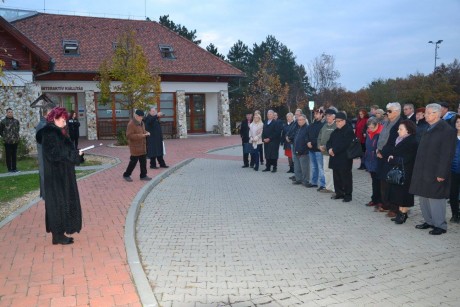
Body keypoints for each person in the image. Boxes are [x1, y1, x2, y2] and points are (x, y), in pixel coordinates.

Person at [35, 107, 83, 245]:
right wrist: (72, 155)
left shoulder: (60, 132)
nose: (65, 122)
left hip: (64, 176)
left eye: (65, 119)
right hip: (56, 178)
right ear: (54, 119)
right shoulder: (49, 134)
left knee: (64, 203)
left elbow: (67, 152)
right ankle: (58, 235)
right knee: (57, 205)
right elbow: (54, 155)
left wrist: (77, 155)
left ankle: (60, 233)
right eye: (62, 119)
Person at [410, 103, 457, 235]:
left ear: (436, 114)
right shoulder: (428, 128)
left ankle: (440, 225)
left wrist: (441, 173)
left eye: (429, 112)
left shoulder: (446, 130)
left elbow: (447, 154)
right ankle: (429, 221)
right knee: (424, 197)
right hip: (423, 170)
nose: (426, 115)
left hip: (436, 171)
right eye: (426, 112)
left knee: (436, 199)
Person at [386, 120, 418, 224]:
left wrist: (392, 159)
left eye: (401, 129)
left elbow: (407, 158)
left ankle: (403, 214)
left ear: (408, 130)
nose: (398, 131)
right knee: (398, 193)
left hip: (406, 171)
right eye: (398, 129)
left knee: (404, 194)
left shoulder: (411, 141)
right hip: (400, 170)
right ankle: (400, 213)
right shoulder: (401, 139)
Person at [375, 102, 402, 217]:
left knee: (392, 181)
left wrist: (383, 152)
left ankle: (395, 207)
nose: (387, 113)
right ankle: (386, 203)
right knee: (383, 180)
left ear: (396, 112)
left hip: (391, 156)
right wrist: (377, 149)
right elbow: (381, 137)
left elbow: (394, 142)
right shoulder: (386, 122)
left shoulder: (400, 123)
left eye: (389, 111)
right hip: (381, 154)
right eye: (387, 110)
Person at [327, 112, 354, 202]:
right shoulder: (335, 131)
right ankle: (339, 193)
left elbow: (345, 144)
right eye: (336, 121)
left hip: (344, 158)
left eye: (339, 121)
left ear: (344, 121)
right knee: (336, 176)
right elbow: (329, 142)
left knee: (345, 177)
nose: (337, 123)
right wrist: (329, 149)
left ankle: (348, 195)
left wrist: (334, 150)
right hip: (335, 157)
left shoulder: (349, 131)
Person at [123, 110, 152, 182]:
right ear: (136, 116)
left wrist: (146, 132)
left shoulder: (142, 123)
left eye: (142, 117)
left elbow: (143, 131)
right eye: (140, 117)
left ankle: (143, 175)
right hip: (135, 147)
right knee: (133, 162)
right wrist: (142, 135)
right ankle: (126, 175)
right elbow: (129, 136)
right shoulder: (131, 124)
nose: (141, 118)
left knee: (143, 162)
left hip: (142, 146)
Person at [364, 117, 383, 207]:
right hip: (370, 159)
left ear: (377, 125)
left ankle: (380, 200)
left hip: (378, 159)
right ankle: (374, 199)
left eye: (372, 127)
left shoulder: (381, 133)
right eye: (369, 127)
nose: (370, 129)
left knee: (379, 181)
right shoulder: (368, 132)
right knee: (374, 181)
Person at [317, 109, 337, 193]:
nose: (327, 117)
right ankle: (328, 187)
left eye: (329, 116)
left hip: (332, 153)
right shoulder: (324, 126)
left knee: (333, 171)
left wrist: (326, 146)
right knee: (326, 171)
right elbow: (319, 137)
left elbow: (336, 140)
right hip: (324, 153)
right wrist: (319, 146)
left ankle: (335, 188)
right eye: (326, 116)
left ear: (334, 117)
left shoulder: (336, 126)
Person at [307, 109, 325, 190]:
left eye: (317, 113)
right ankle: (314, 182)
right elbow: (307, 134)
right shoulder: (311, 124)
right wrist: (308, 142)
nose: (315, 115)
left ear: (322, 114)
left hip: (318, 149)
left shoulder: (323, 125)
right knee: (314, 167)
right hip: (311, 149)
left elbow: (320, 137)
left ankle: (322, 184)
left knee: (320, 167)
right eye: (315, 113)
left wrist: (312, 142)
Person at [36, 107, 51, 198]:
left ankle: (44, 193)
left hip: (45, 152)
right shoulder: (43, 125)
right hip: (43, 153)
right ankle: (46, 194)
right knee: (44, 173)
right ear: (48, 113)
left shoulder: (45, 123)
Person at [0, 108, 20, 173]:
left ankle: (14, 168)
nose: (10, 113)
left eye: (11, 112)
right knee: (8, 156)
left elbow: (18, 129)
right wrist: (5, 137)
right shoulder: (3, 122)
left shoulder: (16, 121)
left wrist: (16, 137)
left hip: (15, 141)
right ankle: (9, 169)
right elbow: (0, 131)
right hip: (7, 142)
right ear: (6, 113)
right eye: (9, 112)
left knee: (14, 155)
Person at [292, 115, 310, 186]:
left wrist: (304, 149)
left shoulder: (307, 128)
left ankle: (306, 180)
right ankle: (298, 179)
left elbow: (307, 139)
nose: (299, 121)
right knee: (297, 167)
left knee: (304, 168)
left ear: (305, 120)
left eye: (301, 120)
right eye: (298, 120)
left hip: (304, 151)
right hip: (296, 150)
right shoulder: (298, 128)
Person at [449, 115, 460, 223]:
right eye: (457, 122)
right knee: (453, 193)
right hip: (453, 170)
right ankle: (455, 214)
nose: (459, 124)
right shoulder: (451, 137)